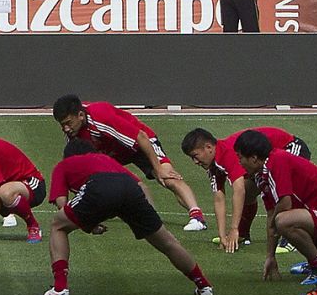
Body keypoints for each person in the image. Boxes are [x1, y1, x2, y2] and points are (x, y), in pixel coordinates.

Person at [41, 139, 213, 295]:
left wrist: (86, 222)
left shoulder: (64, 165)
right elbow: (141, 186)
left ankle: (60, 288)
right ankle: (203, 285)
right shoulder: (104, 159)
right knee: (166, 241)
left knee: (58, 225)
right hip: (130, 189)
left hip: (98, 186)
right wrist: (151, 219)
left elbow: (61, 203)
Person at [52, 95, 206, 232]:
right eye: (62, 125)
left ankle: (197, 217)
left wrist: (158, 168)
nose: (65, 129)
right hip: (111, 153)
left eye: (68, 123)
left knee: (167, 178)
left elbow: (141, 137)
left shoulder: (100, 116)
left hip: (140, 144)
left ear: (80, 115)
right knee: (92, 178)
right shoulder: (73, 134)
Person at [182, 126, 310, 253]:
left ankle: (293, 236)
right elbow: (219, 198)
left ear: (209, 148)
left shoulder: (227, 153)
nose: (195, 162)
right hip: (263, 160)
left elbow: (239, 190)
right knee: (250, 192)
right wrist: (222, 236)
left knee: (282, 192)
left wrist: (233, 229)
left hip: (290, 147)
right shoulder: (214, 164)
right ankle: (243, 234)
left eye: (195, 156)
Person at [232, 130, 317, 291]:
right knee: (280, 221)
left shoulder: (278, 159)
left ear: (254, 158)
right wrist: (270, 256)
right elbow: (272, 212)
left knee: (284, 221)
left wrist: (273, 225)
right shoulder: (261, 175)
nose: (239, 163)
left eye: (240, 157)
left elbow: (284, 203)